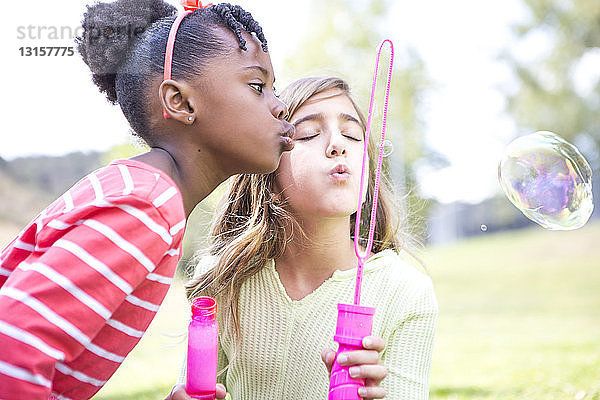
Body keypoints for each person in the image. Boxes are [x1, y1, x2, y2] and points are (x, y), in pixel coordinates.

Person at [0, 0, 294, 398]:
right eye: (258, 86)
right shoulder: (147, 205)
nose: (279, 105)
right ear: (181, 102)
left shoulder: (142, 194)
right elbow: (12, 350)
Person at [169, 76, 438, 400]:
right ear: (267, 166)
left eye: (353, 136)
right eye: (309, 133)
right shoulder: (222, 279)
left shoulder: (406, 292)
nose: (338, 145)